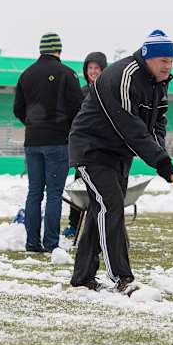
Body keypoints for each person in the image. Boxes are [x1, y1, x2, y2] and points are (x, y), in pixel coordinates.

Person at [68, 29, 173, 295]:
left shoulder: (159, 82)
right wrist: (158, 159)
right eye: (164, 60)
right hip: (92, 148)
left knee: (101, 211)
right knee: (111, 205)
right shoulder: (123, 76)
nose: (168, 66)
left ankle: (82, 277)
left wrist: (160, 153)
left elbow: (157, 121)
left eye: (171, 61)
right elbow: (128, 124)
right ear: (149, 58)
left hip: (119, 153)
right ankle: (121, 277)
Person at [13, 32, 84, 252]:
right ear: (59, 50)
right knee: (54, 193)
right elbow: (79, 109)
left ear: (41, 49)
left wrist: (34, 125)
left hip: (32, 141)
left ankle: (31, 242)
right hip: (57, 141)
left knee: (34, 192)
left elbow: (18, 109)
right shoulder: (67, 74)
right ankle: (50, 242)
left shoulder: (26, 74)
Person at [63, 51, 108, 239]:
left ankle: (101, 225)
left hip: (103, 149)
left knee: (103, 191)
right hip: (83, 149)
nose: (93, 71)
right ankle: (73, 224)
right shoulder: (81, 93)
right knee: (79, 187)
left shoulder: (108, 92)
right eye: (90, 68)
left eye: (97, 68)